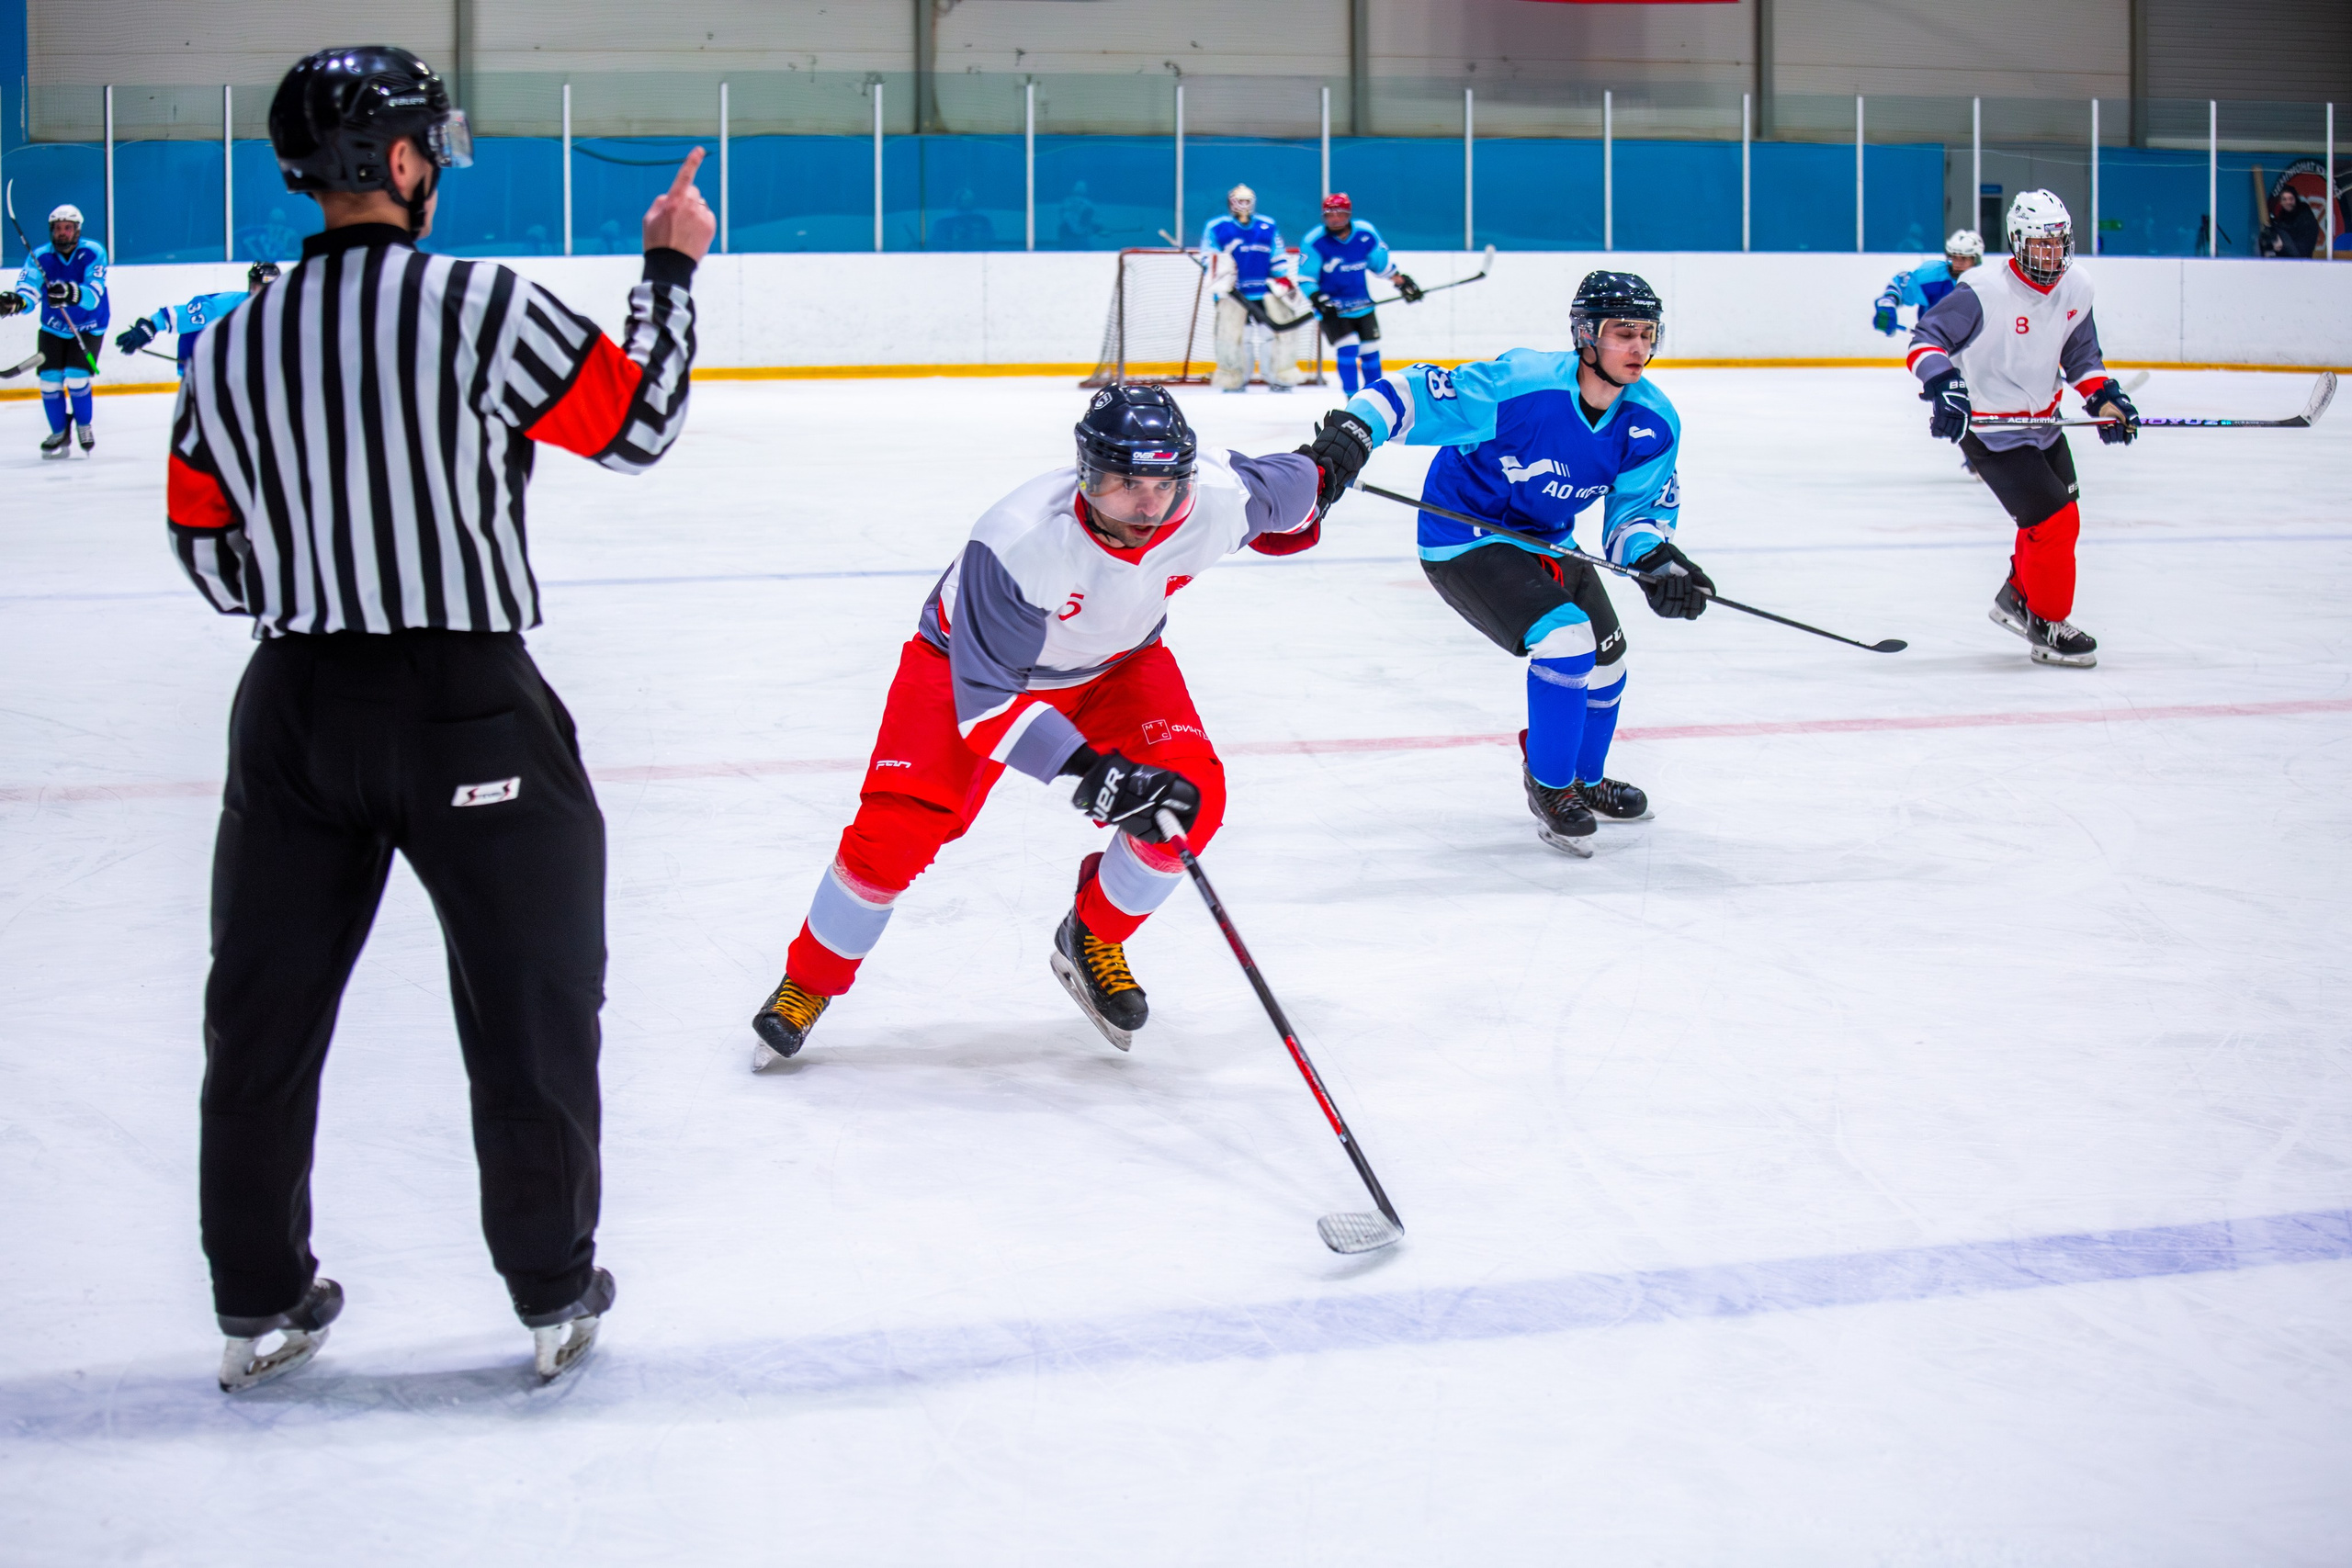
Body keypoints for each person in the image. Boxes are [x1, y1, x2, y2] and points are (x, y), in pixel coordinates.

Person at [167, 45, 709, 1392]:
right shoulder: (475, 303)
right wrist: (670, 272)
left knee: (262, 1010)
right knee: (528, 998)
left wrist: (308, 583)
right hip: (467, 702)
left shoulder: (228, 338)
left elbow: (204, 543)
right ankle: (547, 1282)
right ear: (401, 163)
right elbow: (634, 425)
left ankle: (259, 1297)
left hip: (291, 707)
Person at [750, 385, 1362, 1061]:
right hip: (966, 671)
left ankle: (1093, 933)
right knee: (895, 834)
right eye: (1125, 482)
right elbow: (985, 705)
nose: (1147, 505)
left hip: (1120, 668)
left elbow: (1300, 483)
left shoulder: (1215, 497)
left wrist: (1338, 458)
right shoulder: (1018, 542)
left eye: (1164, 483)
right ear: (1087, 475)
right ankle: (807, 981)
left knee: (1189, 802)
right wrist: (1095, 774)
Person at [1332, 271, 1711, 857]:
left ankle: (1583, 779)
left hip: (1547, 542)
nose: (1638, 348)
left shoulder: (1653, 423)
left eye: (1647, 333)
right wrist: (1353, 434)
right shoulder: (1523, 384)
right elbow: (1412, 392)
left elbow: (1633, 517)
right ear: (1587, 336)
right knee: (1566, 639)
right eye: (1622, 332)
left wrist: (1658, 561)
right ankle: (1550, 784)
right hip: (1464, 537)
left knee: (1609, 660)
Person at [1905, 189, 2137, 668]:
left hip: (2045, 425)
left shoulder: (2078, 287)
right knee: (2054, 522)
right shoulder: (1984, 290)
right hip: (1992, 430)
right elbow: (1926, 339)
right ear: (2017, 242)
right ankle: (2048, 624)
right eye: (2040, 244)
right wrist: (1944, 383)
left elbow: (2080, 355)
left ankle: (2017, 596)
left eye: (2059, 243)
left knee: (2055, 522)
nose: (2051, 254)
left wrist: (2104, 398)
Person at [3, 203, 109, 457]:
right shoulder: (40, 256)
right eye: (58, 228)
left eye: (68, 228)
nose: (63, 233)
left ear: (77, 230)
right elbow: (29, 288)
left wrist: (71, 293)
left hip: (89, 326)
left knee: (76, 377)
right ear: (52, 230)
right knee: (49, 382)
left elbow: (93, 294)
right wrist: (17, 302)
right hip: (53, 327)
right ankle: (60, 431)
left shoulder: (93, 252)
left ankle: (84, 425)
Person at [1297, 192, 1421, 395]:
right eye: (1330, 214)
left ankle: (1376, 397)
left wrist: (1401, 282)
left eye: (1340, 214)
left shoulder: (1366, 233)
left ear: (1349, 214)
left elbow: (1379, 265)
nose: (1335, 219)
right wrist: (1317, 298)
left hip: (1362, 304)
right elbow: (1306, 279)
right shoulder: (1314, 241)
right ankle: (1352, 398)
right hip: (1333, 308)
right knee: (1348, 349)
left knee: (1370, 352)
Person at [1199, 184, 1306, 391]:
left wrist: (1282, 281)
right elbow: (1209, 257)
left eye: (1247, 201)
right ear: (1231, 203)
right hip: (1233, 295)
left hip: (1264, 292)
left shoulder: (1267, 226)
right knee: (1236, 338)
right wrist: (1220, 277)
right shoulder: (1217, 227)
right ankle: (1235, 379)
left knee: (1272, 335)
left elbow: (1277, 256)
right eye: (1239, 201)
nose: (1244, 206)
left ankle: (1278, 378)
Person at [114, 262, 280, 377]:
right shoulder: (226, 305)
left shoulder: (285, 310)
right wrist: (149, 327)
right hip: (205, 363)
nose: (263, 291)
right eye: (258, 285)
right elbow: (184, 315)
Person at [1872, 229, 1983, 335]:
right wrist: (1888, 302)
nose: (1957, 263)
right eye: (1954, 257)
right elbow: (1901, 286)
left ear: (1976, 260)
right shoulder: (1933, 275)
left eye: (1964, 258)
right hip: (1934, 344)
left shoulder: (1985, 284)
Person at [2259, 187, 2320, 258]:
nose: (2288, 202)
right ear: (2281, 202)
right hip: (2288, 254)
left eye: (2291, 199)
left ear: (2296, 199)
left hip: (2301, 253)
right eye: (2284, 199)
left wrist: (2279, 236)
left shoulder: (2304, 213)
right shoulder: (2283, 215)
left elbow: (2296, 231)